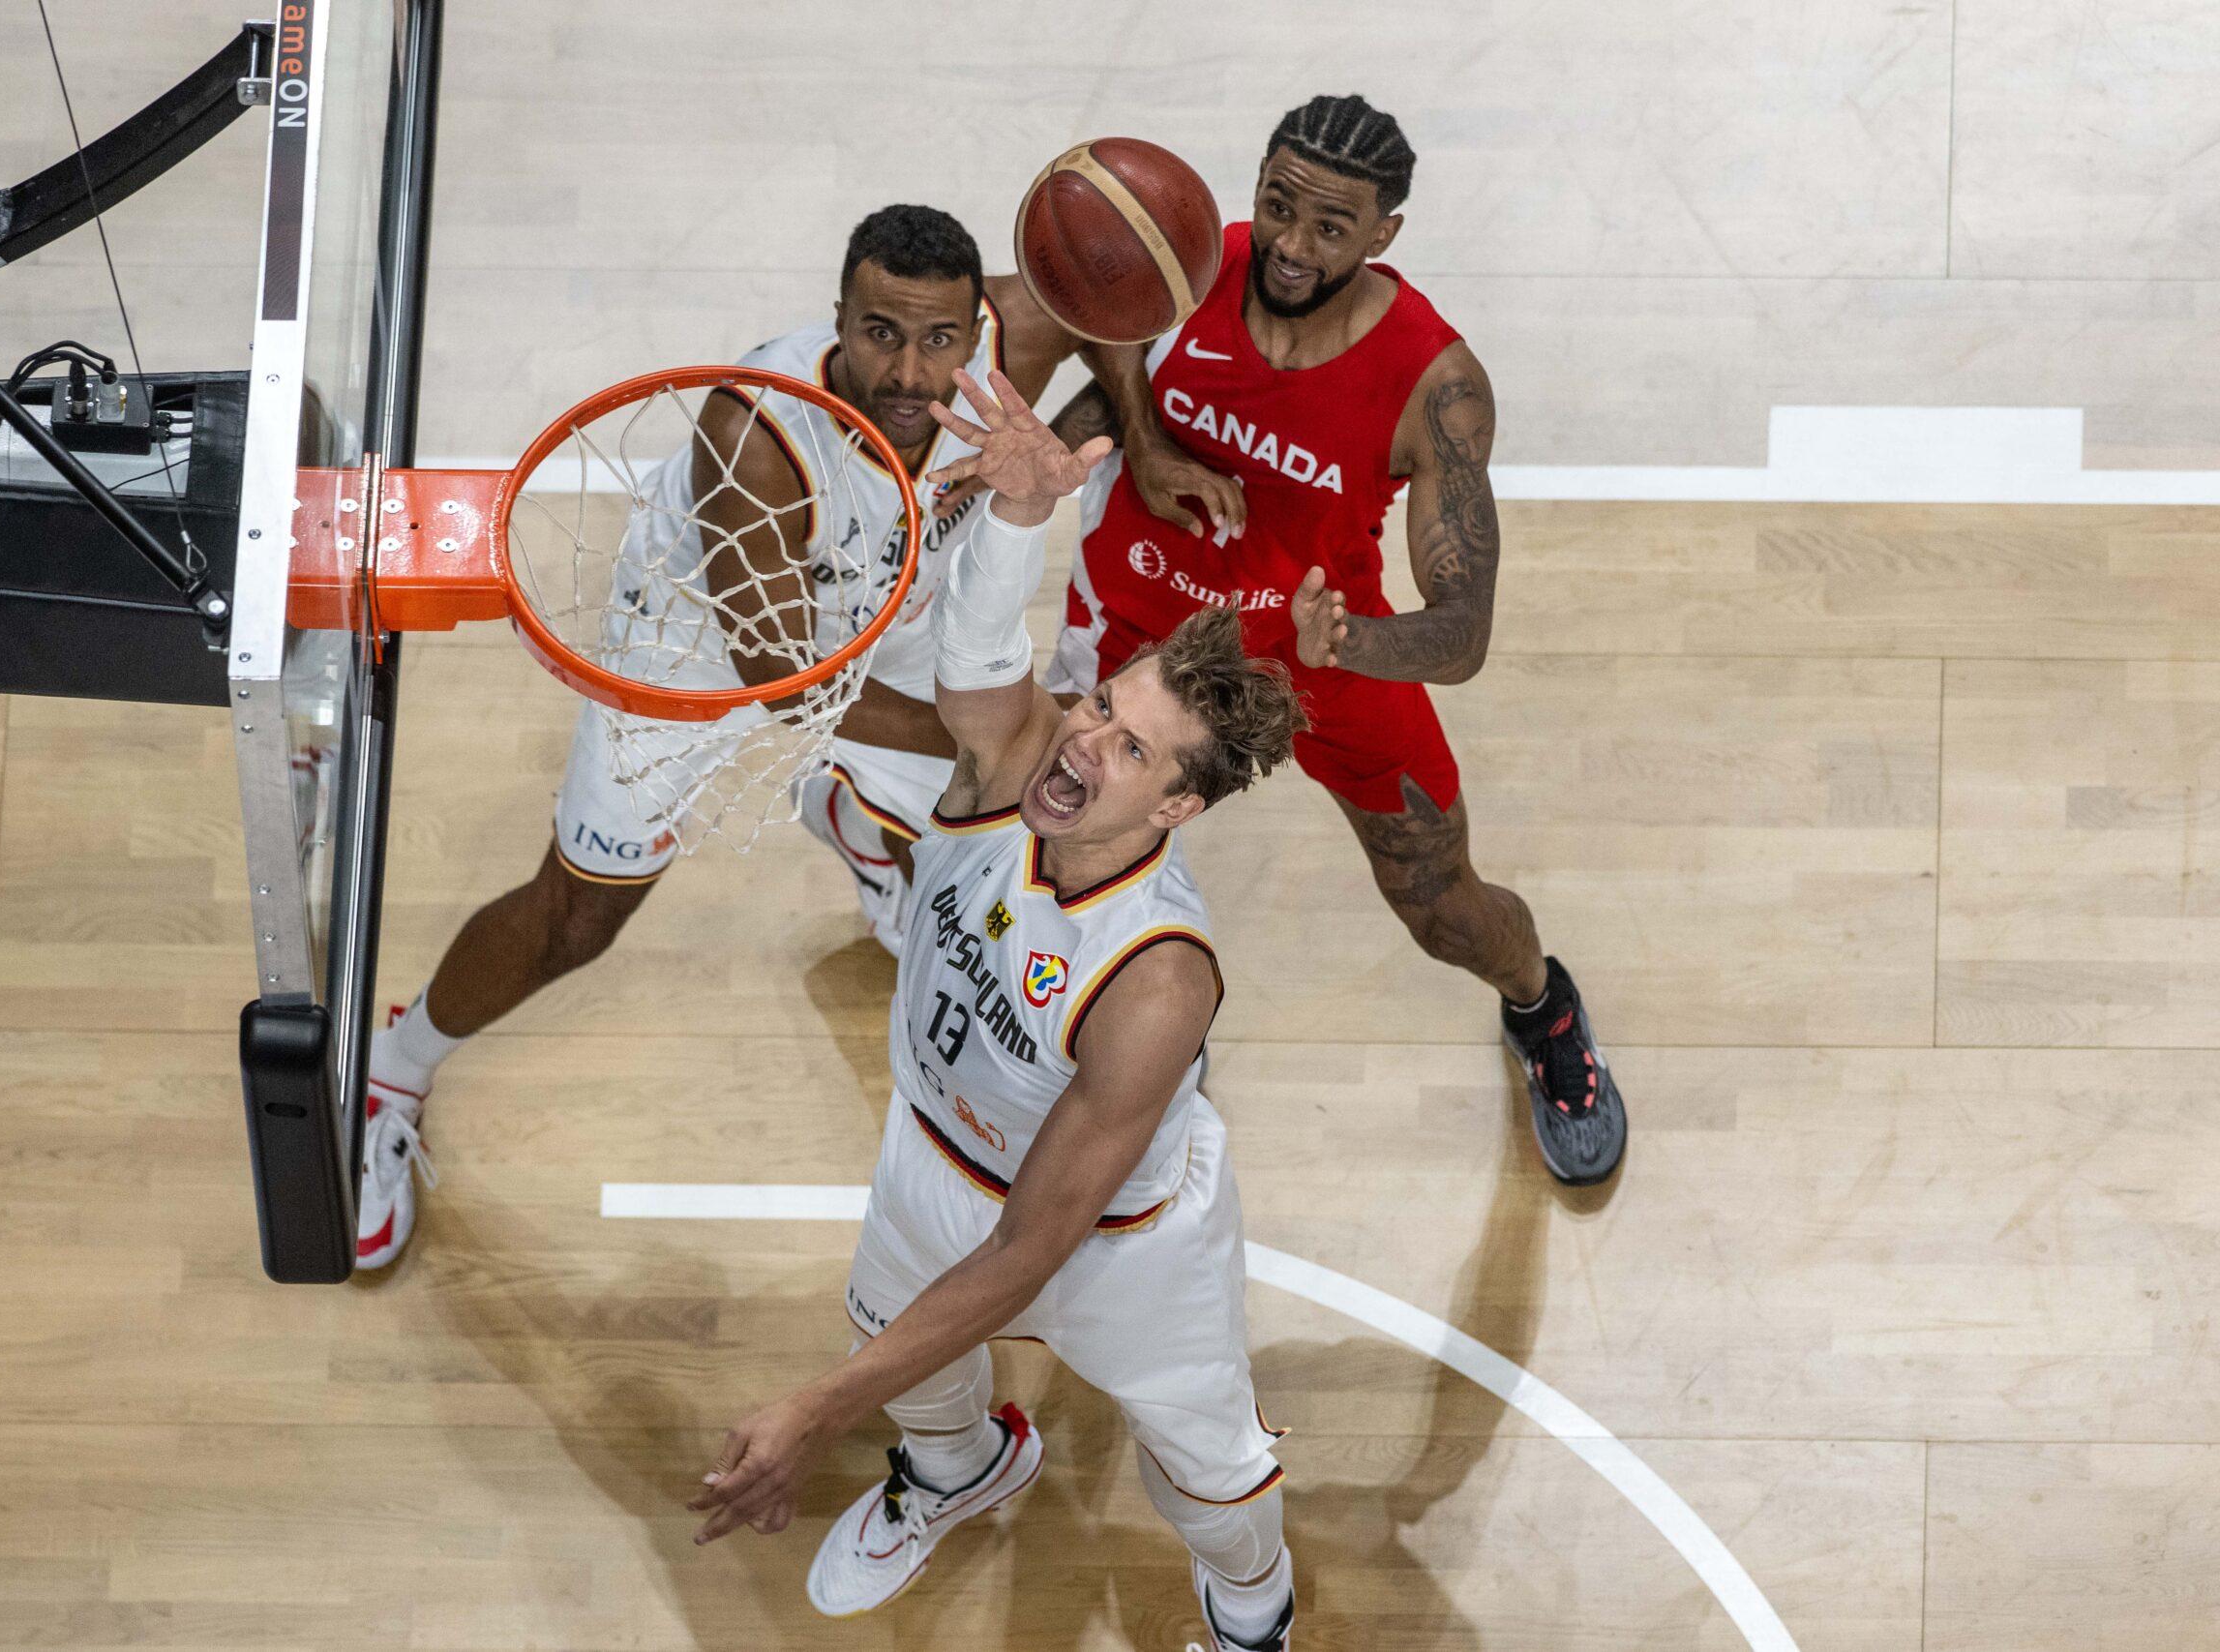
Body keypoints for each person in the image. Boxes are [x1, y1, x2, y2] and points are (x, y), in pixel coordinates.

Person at [688, 368, 1307, 1652]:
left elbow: (1031, 1251)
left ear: (1180, 806)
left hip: (1125, 1238)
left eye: (1134, 750)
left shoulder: (1156, 979)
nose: (1088, 744)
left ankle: (1253, 1616)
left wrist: (811, 1409)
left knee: (1213, 1474)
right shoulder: (1019, 765)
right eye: (1102, 706)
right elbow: (977, 669)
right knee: (904, 1354)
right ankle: (961, 1467)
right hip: (936, 1142)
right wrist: (1022, 515)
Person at [354, 206, 1081, 1267]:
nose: (911, 372)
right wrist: (999, 741)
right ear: (836, 316)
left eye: (938, 340)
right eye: (880, 332)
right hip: (705, 646)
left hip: (890, 604)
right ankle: (394, 1065)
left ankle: (865, 824)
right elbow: (788, 687)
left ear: (978, 329)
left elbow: (1124, 301)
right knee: (577, 921)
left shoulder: (1017, 334)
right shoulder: (755, 430)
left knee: (1005, 821)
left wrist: (1134, 446)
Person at [1048, 94, 1628, 1186]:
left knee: (1442, 908)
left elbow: (1460, 638)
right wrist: (1142, 441)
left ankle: (1542, 1010)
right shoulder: (1181, 259)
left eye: (1329, 228)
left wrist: (1348, 640)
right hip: (1144, 624)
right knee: (1072, 846)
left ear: (1382, 237)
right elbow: (1101, 330)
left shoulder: (1435, 385)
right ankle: (1136, 1042)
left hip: (1316, 664)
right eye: (1275, 207)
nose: (1291, 246)